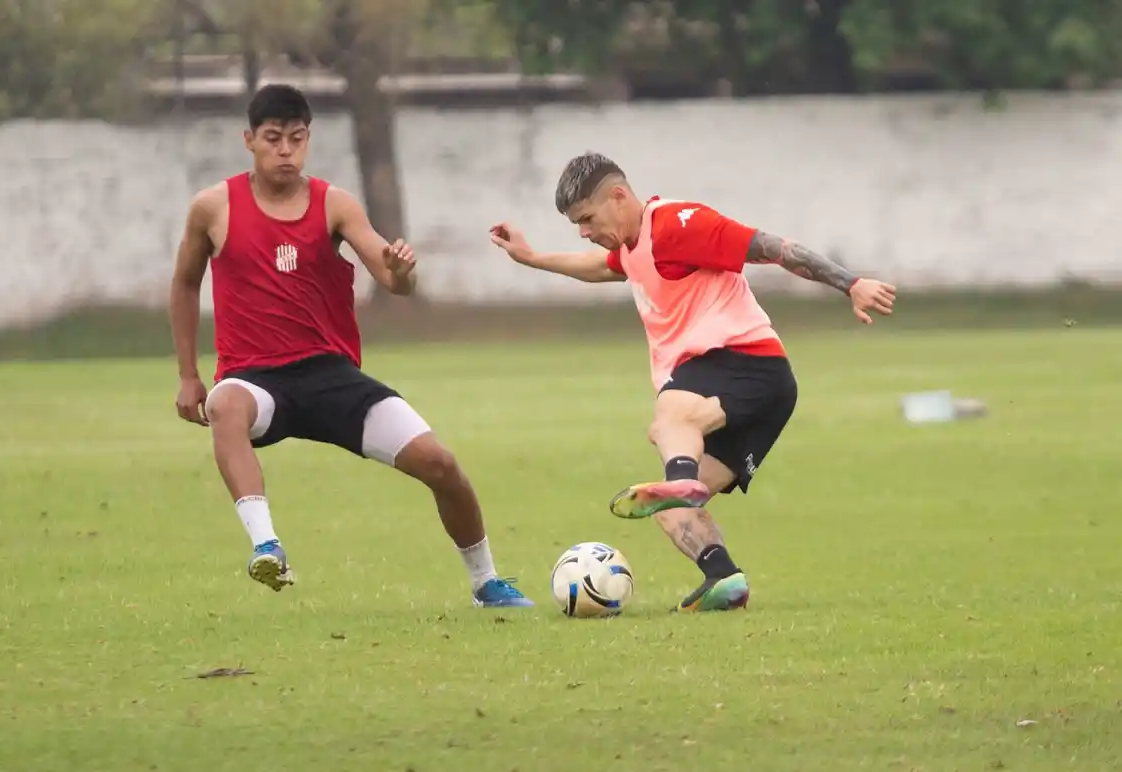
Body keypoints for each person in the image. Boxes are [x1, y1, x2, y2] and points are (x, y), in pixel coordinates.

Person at [168, 83, 533, 608]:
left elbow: (391, 278)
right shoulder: (213, 207)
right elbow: (184, 283)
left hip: (331, 377)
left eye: (297, 138)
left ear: (308, 140)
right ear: (249, 140)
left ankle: (487, 582)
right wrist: (187, 374)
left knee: (442, 465)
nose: (286, 150)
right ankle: (266, 545)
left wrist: (403, 271)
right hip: (256, 379)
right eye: (273, 139)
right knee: (225, 403)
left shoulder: (333, 203)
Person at [489, 152, 896, 613]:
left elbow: (773, 247)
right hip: (763, 391)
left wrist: (851, 284)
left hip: (744, 361)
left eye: (587, 218)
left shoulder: (679, 225)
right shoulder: (632, 246)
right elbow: (604, 266)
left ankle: (681, 480)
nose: (584, 231)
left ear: (619, 197)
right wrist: (532, 258)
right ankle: (724, 578)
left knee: (669, 423)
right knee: (667, 506)